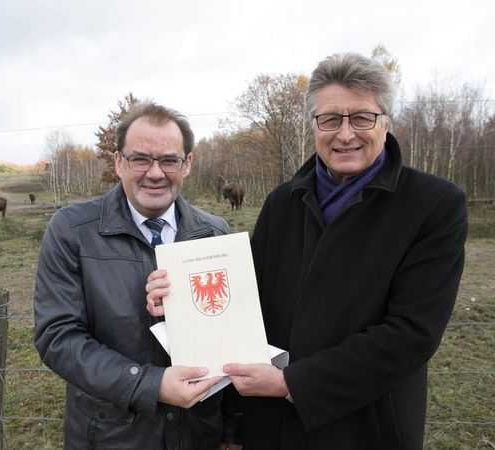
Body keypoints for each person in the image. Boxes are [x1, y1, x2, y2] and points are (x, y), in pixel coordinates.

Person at [147, 53, 467, 450]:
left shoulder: (432, 205)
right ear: (314, 124)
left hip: (364, 426)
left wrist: (291, 383)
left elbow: (411, 335)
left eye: (362, 118)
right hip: (270, 425)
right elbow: (247, 300)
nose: (345, 133)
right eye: (330, 119)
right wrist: (178, 299)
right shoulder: (283, 201)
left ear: (386, 121)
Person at [34, 101, 242, 449]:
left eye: (168, 160)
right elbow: (58, 338)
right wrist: (151, 385)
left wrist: (233, 431)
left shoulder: (215, 233)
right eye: (140, 159)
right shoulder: (72, 230)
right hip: (112, 436)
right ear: (118, 162)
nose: (155, 173)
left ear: (187, 164)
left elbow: (231, 333)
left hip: (199, 435)